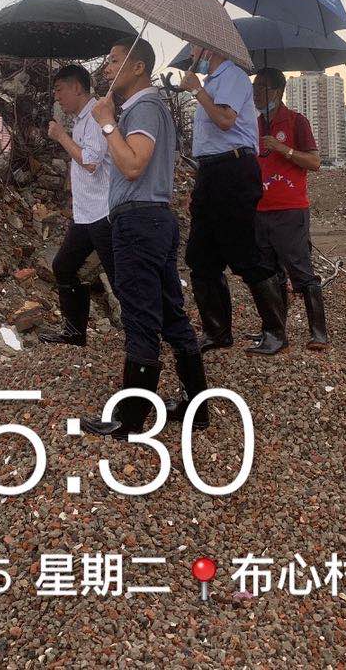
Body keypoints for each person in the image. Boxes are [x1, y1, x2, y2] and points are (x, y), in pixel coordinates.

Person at [80, 37, 208, 438]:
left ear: (138, 68)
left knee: (139, 316)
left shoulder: (145, 108)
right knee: (169, 313)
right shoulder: (146, 108)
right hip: (153, 220)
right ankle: (196, 406)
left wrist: (106, 122)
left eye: (114, 60)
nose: (106, 67)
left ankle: (131, 419)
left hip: (138, 222)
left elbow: (134, 165)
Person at [179, 46, 291, 356]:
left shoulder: (234, 76)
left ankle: (275, 331)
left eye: (194, 43)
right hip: (211, 171)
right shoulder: (212, 80)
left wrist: (197, 91)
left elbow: (225, 119)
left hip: (233, 168)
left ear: (209, 46)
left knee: (244, 253)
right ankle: (216, 331)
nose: (191, 50)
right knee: (200, 255)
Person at [251, 67, 329, 350]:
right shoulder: (254, 125)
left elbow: (315, 162)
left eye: (262, 88)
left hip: (290, 209)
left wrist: (283, 149)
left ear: (278, 91)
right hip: (260, 209)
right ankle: (274, 331)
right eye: (254, 89)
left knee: (300, 270)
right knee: (268, 272)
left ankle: (319, 333)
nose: (256, 94)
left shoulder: (296, 121)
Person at [40, 64, 114, 345]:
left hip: (103, 212)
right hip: (85, 214)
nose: (57, 97)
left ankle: (146, 335)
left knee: (120, 278)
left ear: (77, 87)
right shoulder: (81, 119)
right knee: (63, 265)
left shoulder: (96, 116)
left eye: (60, 90)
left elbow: (91, 161)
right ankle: (74, 332)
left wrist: (61, 137)